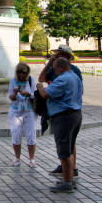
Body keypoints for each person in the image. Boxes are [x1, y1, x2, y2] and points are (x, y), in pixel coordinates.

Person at [37, 57, 83, 193]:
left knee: (64, 151)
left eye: (55, 68)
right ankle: (69, 178)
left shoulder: (63, 79)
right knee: (69, 148)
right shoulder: (75, 77)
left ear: (61, 67)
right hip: (75, 114)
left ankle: (67, 183)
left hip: (64, 116)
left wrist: (40, 88)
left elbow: (46, 94)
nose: (54, 72)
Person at [7, 62, 38, 167]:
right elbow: (11, 97)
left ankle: (32, 159)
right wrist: (15, 93)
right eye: (20, 72)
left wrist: (28, 94)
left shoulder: (31, 80)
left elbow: (36, 94)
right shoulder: (13, 81)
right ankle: (17, 158)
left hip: (29, 111)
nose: (22, 75)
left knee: (31, 135)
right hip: (16, 111)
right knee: (16, 134)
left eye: (24, 72)